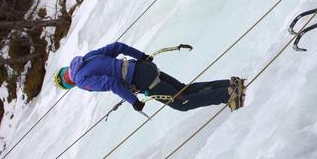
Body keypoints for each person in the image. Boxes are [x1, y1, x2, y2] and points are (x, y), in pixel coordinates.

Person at [52, 42, 246, 112]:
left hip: (140, 80)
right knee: (182, 90)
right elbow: (118, 46)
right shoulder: (87, 57)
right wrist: (142, 56)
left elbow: (110, 82)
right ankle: (229, 84)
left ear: (69, 83)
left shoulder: (82, 81)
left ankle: (228, 95)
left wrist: (133, 101)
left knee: (181, 103)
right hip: (143, 67)